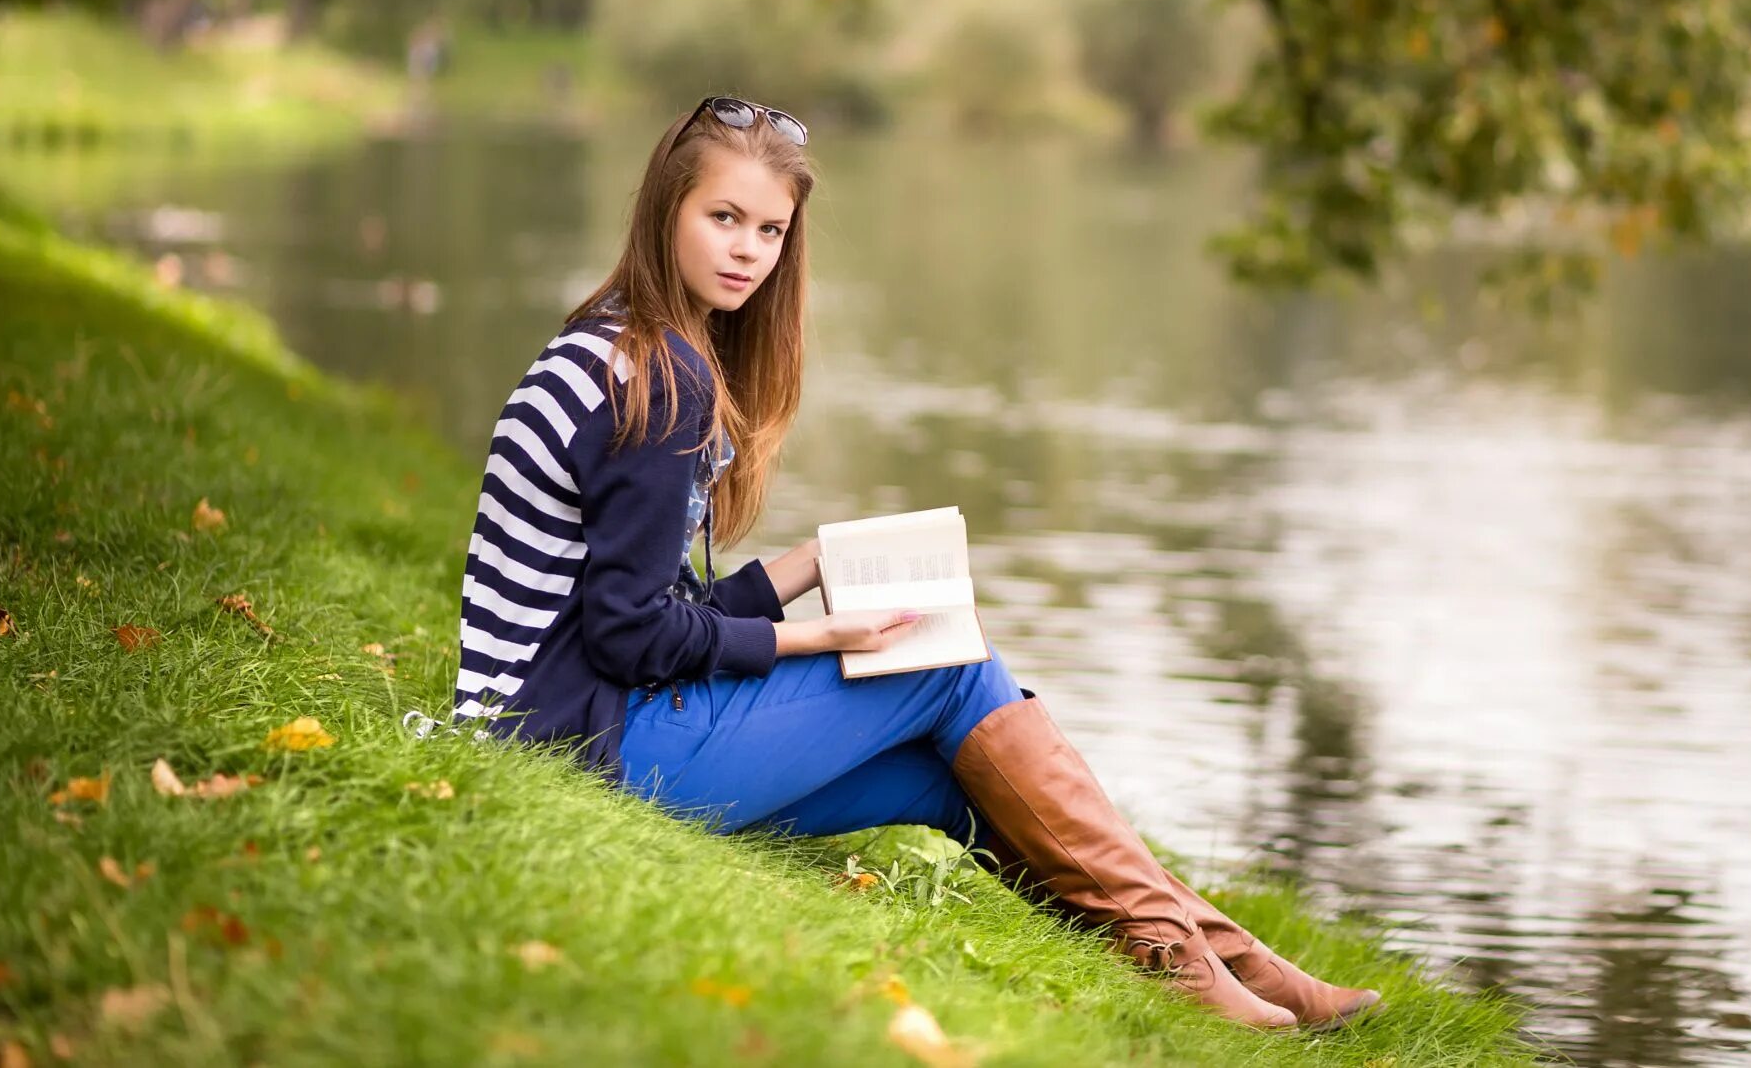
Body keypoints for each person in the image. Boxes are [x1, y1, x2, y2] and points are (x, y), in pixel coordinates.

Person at [452, 95, 1381, 1031]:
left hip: (559, 725)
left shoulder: (621, 340)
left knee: (961, 776)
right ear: (666, 211)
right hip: (581, 747)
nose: (747, 250)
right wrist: (813, 633)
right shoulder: (662, 378)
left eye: (770, 230)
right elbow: (629, 633)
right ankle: (1194, 967)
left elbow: (646, 603)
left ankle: (1222, 963)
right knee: (951, 663)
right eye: (723, 217)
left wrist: (810, 562)